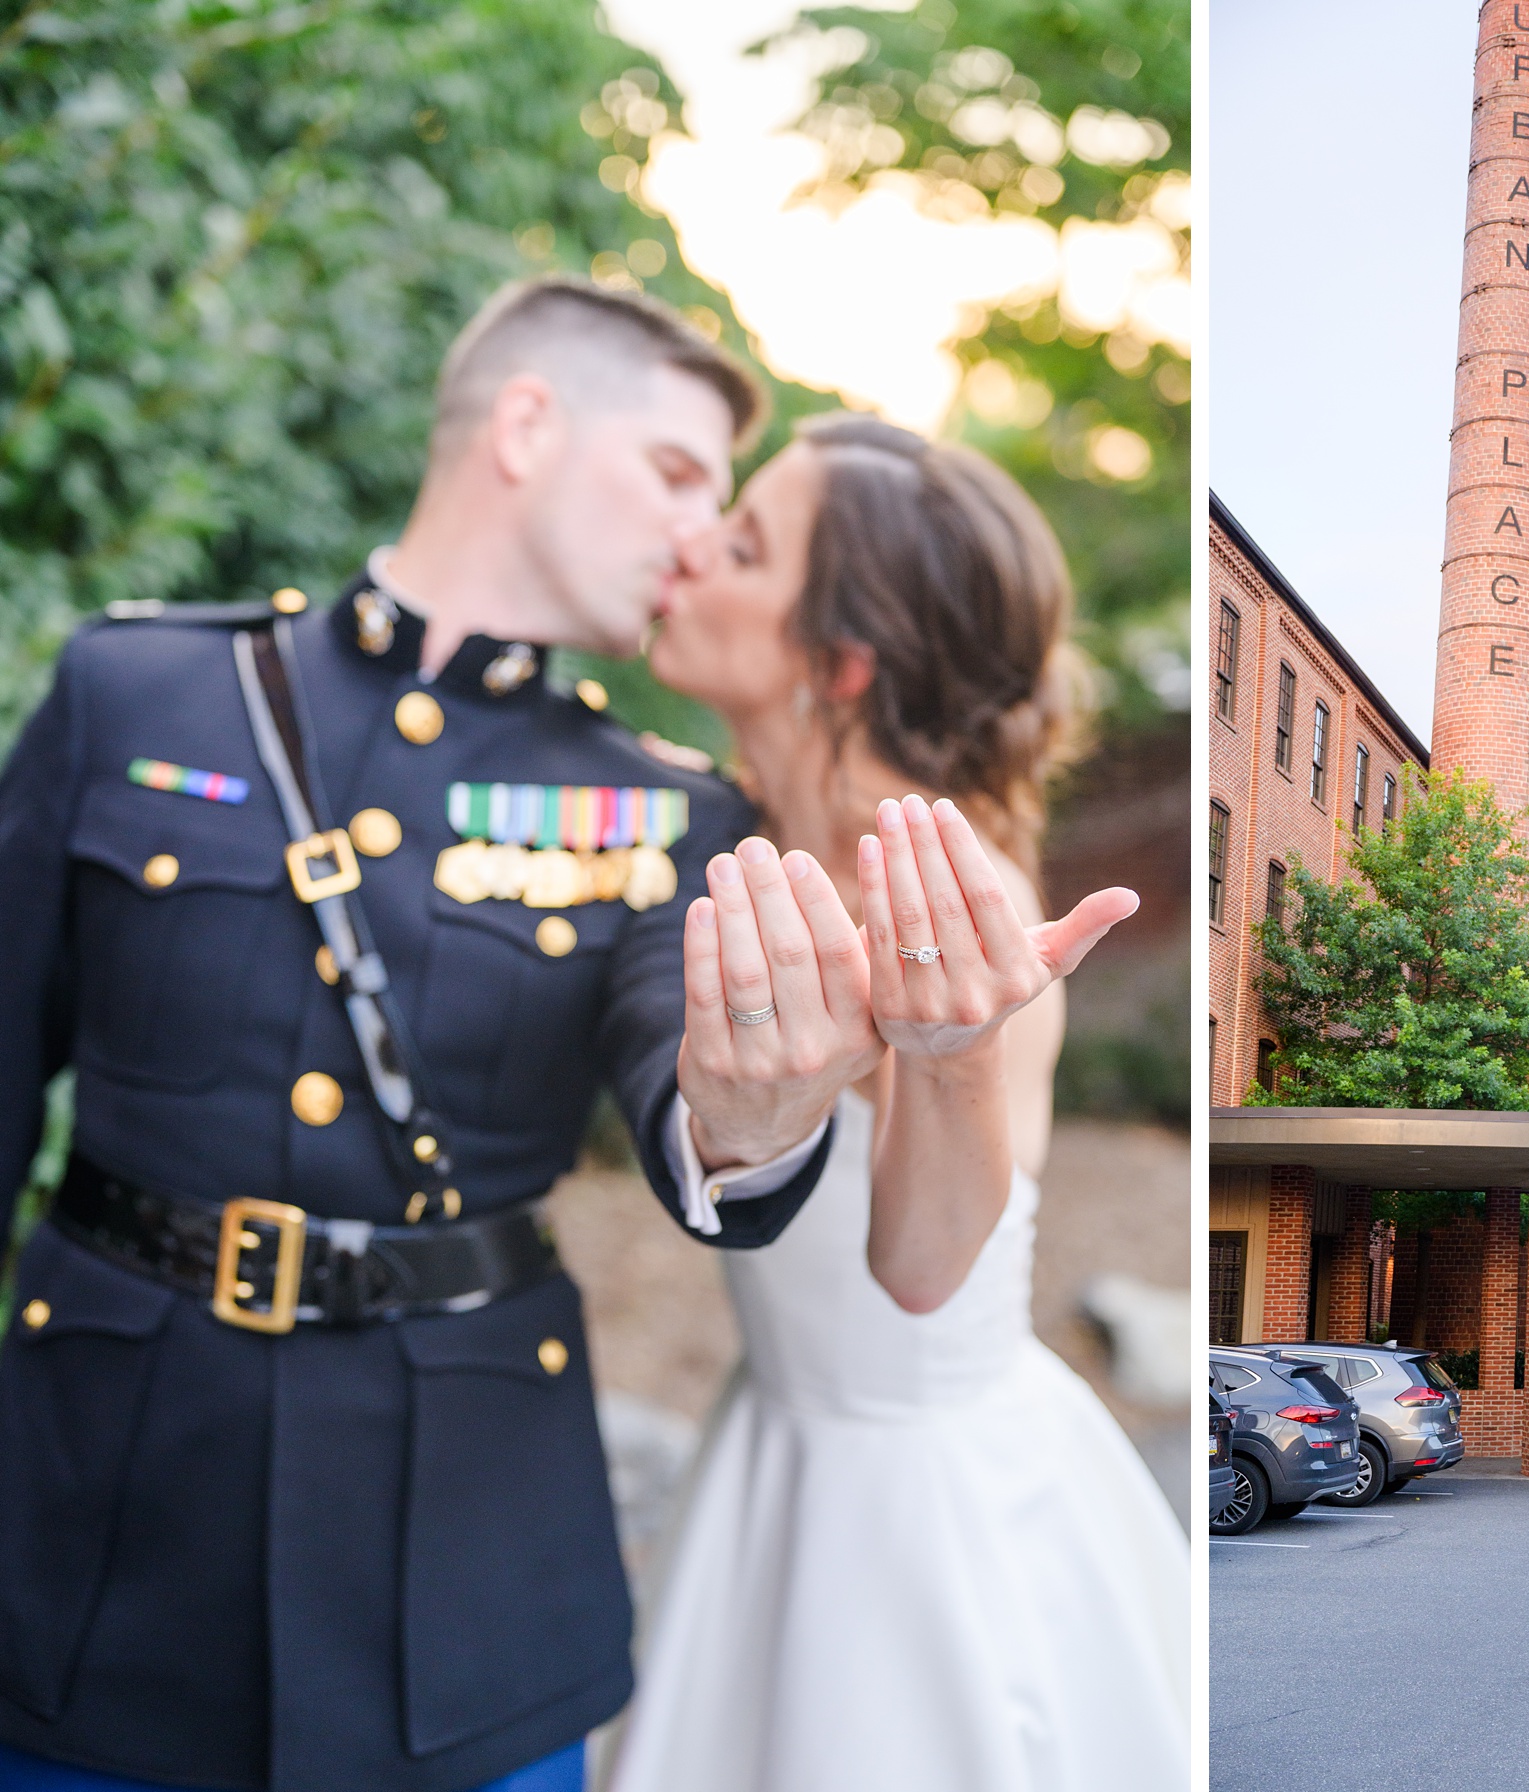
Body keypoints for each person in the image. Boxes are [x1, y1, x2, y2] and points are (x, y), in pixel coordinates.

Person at [0, 278, 1128, 1792]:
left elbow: (704, 1099)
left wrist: (767, 1108)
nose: (691, 540)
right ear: (525, 426)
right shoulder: (140, 688)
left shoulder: (679, 817)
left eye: (736, 526)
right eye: (680, 481)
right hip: (85, 1550)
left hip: (465, 1602)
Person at [605, 414, 1187, 1791]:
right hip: (775, 1442)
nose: (695, 547)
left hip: (915, 1508)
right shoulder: (720, 825)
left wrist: (955, 1050)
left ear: (841, 661)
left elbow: (928, 1270)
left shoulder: (941, 894)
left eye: (743, 543)